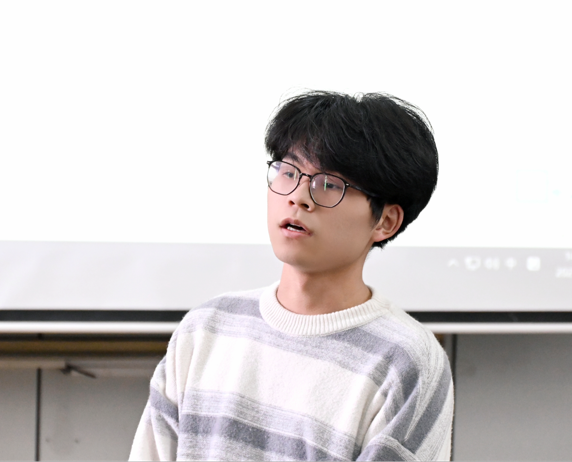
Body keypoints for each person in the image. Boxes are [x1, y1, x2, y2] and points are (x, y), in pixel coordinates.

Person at [129, 91, 453, 461]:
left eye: (329, 184)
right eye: (288, 172)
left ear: (385, 221)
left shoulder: (407, 362)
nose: (298, 196)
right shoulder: (206, 329)